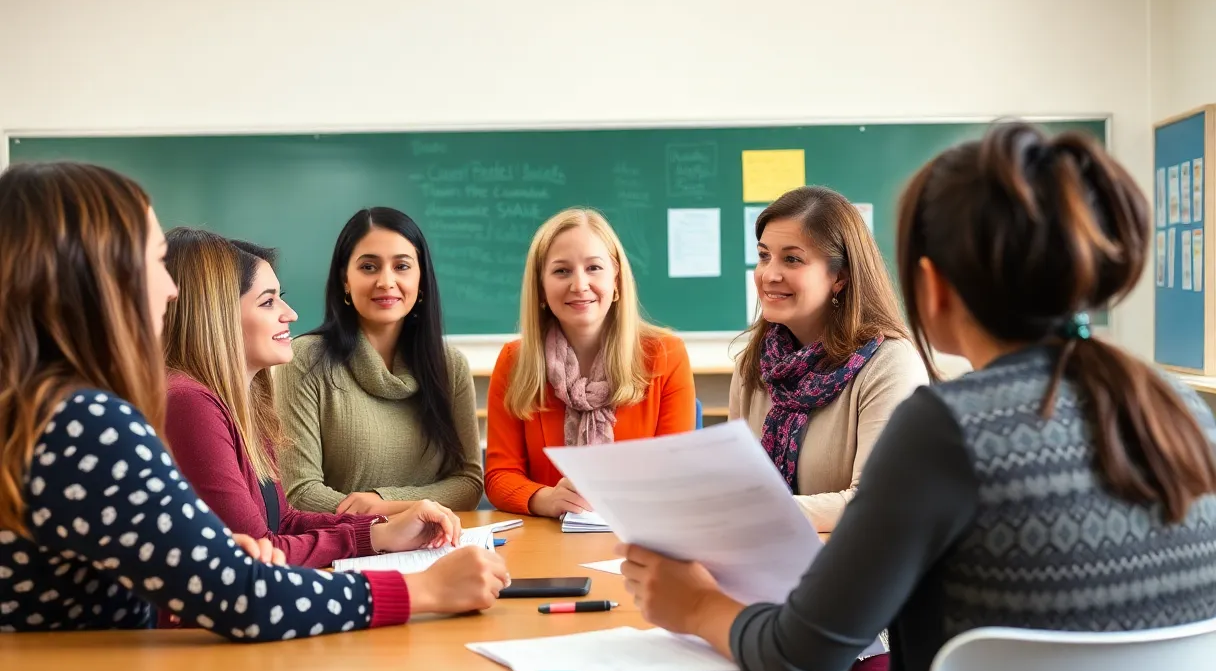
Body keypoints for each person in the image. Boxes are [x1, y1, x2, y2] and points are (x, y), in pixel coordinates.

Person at [617, 122, 1216, 671]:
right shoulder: (1180, 408)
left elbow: (799, 657)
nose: (771, 273)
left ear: (932, 286)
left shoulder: (945, 427)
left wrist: (697, 604)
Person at [0, 162, 508, 639]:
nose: (172, 291)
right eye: (154, 261)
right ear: (94, 278)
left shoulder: (45, 410)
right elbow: (244, 598)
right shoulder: (86, 423)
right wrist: (426, 589)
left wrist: (220, 561)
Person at [161, 228, 463, 569]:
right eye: (268, 301)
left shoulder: (246, 402)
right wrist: (378, 537)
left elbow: (284, 523)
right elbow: (261, 555)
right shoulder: (189, 403)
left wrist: (386, 526)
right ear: (215, 314)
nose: (290, 314)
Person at [731, 185, 927, 535]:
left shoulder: (890, 364)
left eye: (792, 259)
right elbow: (737, 485)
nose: (769, 274)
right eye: (764, 256)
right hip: (763, 557)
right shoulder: (755, 364)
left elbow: (877, 502)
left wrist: (755, 511)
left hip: (852, 564)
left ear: (840, 276)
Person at [485, 208, 695, 517]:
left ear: (617, 281)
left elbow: (675, 474)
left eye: (594, 268)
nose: (579, 285)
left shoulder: (666, 354)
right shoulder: (515, 361)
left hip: (640, 531)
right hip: (547, 538)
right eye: (561, 271)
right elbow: (500, 476)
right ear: (541, 288)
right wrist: (547, 499)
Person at [277, 207, 483, 516]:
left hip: (437, 542)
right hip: (348, 548)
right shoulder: (305, 360)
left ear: (421, 279)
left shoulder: (449, 366)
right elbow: (301, 493)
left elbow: (468, 485)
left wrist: (384, 502)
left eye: (401, 266)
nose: (386, 281)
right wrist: (389, 524)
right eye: (369, 267)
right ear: (345, 280)